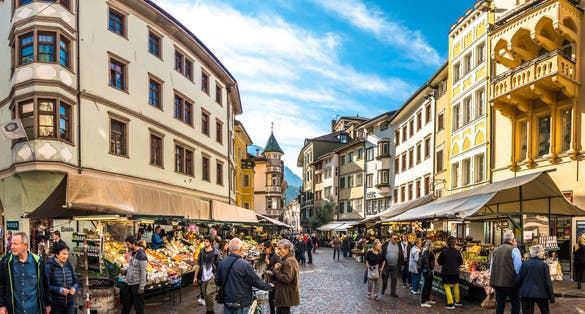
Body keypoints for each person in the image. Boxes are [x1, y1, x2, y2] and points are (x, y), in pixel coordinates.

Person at [215, 238, 273, 314]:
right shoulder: (245, 264)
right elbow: (256, 282)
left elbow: (217, 281)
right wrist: (269, 286)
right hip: (242, 302)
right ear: (241, 249)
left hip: (228, 300)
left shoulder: (222, 263)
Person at [0, 232, 50, 314]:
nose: (12, 247)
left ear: (25, 246)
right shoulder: (6, 261)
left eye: (15, 244)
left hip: (34, 310)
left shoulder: (38, 262)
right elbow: (1, 284)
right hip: (15, 310)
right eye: (12, 243)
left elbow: (45, 284)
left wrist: (47, 304)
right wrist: (1, 305)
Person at [515, 245, 555, 314]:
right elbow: (548, 283)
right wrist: (551, 297)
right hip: (541, 293)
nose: (543, 254)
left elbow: (518, 279)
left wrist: (518, 290)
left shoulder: (525, 264)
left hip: (526, 293)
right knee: (545, 311)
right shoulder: (544, 266)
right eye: (542, 252)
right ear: (539, 253)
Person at [490, 230, 522, 314]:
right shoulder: (514, 250)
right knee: (515, 303)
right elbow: (518, 268)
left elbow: (491, 267)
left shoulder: (495, 250)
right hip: (511, 283)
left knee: (500, 304)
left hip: (497, 283)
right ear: (512, 240)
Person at [46, 244, 79, 314]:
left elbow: (76, 282)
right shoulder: (50, 267)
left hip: (70, 304)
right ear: (57, 255)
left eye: (67, 254)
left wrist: (74, 288)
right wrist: (59, 290)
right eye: (63, 253)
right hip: (56, 305)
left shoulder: (69, 265)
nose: (66, 256)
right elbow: (46, 286)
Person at [194, 235, 221, 314]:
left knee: (208, 293)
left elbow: (219, 265)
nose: (205, 243)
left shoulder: (216, 253)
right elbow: (198, 265)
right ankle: (208, 310)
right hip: (203, 277)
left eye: (207, 241)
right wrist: (195, 276)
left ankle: (211, 311)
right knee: (205, 295)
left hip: (212, 277)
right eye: (204, 241)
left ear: (211, 243)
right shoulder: (201, 252)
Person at [121, 235, 147, 314]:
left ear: (133, 244)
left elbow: (143, 272)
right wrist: (126, 271)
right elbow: (132, 267)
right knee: (126, 306)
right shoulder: (132, 253)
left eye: (128, 244)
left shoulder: (142, 256)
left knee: (138, 308)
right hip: (129, 283)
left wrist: (141, 287)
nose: (127, 246)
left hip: (137, 285)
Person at [273, 239, 300, 314]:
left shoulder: (289, 260)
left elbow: (286, 278)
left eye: (280, 249)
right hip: (285, 296)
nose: (278, 252)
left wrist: (276, 271)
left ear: (287, 249)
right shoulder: (288, 259)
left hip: (285, 296)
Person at [437, 236, 463, 310]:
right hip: (455, 272)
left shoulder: (444, 251)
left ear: (447, 243)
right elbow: (461, 262)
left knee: (447, 286)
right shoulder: (457, 252)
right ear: (454, 243)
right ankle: (457, 301)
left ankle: (450, 303)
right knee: (456, 285)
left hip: (446, 272)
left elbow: (439, 262)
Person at [263, 241, 281, 314]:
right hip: (270, 282)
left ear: (270, 248)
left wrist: (269, 264)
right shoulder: (269, 256)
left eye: (265, 249)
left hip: (275, 284)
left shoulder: (276, 257)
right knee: (271, 302)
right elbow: (268, 270)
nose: (264, 251)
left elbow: (276, 272)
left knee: (273, 302)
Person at [420, 239, 436, 308]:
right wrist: (429, 271)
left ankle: (427, 299)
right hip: (427, 271)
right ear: (430, 244)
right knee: (426, 285)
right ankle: (423, 302)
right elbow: (426, 263)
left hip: (429, 270)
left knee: (429, 285)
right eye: (433, 244)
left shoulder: (428, 251)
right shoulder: (426, 252)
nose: (433, 245)